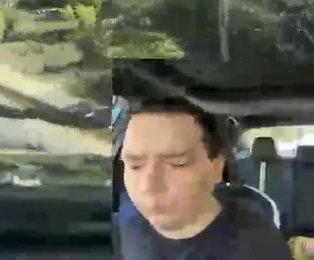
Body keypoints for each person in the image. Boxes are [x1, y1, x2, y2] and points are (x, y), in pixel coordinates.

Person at [116, 96, 291, 259]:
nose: (148, 186)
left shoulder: (258, 243)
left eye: (177, 164)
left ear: (217, 167)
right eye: (135, 166)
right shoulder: (122, 223)